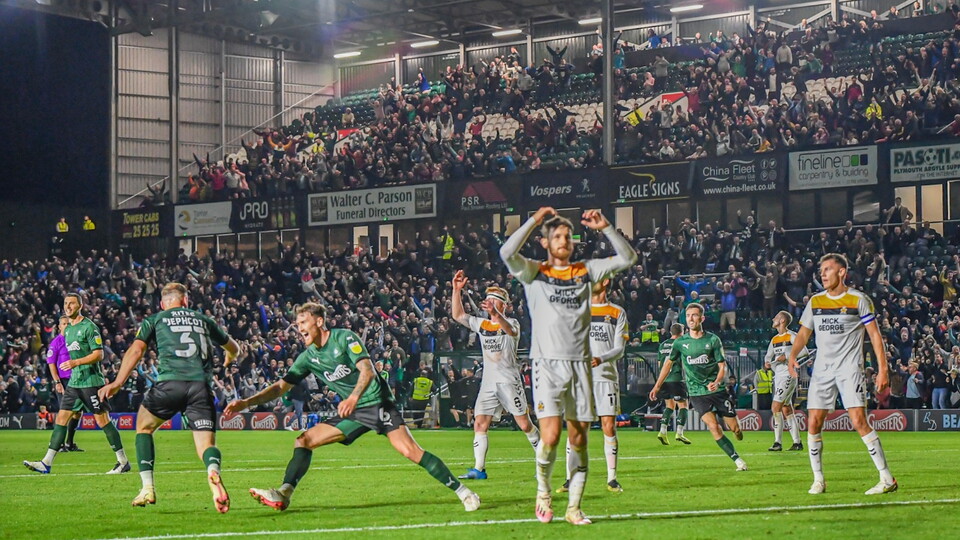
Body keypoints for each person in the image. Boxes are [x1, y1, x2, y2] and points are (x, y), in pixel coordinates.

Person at [226, 303, 480, 512]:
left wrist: (353, 398)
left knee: (410, 451)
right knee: (304, 440)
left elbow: (367, 370)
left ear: (319, 321)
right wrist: (246, 403)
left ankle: (464, 493)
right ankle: (284, 493)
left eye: (303, 322)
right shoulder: (308, 357)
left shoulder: (344, 337)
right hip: (355, 411)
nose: (299, 327)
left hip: (377, 403)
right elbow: (280, 387)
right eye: (297, 323)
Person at [500, 206, 637, 525]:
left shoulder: (584, 271)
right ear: (545, 242)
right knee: (549, 438)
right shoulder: (533, 272)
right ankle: (543, 492)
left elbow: (628, 258)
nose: (563, 240)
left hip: (580, 367)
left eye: (568, 236)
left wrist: (607, 228)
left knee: (579, 440)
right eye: (557, 236)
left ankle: (574, 508)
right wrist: (534, 220)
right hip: (547, 366)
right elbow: (506, 252)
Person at [98, 282, 240, 511]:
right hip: (200, 387)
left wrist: (117, 382)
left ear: (163, 304)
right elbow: (234, 348)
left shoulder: (155, 319)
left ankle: (147, 488)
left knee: (143, 427)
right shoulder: (204, 320)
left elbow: (136, 350)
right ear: (185, 301)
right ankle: (213, 470)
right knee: (206, 445)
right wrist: (229, 358)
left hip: (169, 384)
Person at [788, 253, 897, 495]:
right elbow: (804, 332)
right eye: (821, 270)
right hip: (822, 370)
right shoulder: (815, 301)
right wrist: (793, 355)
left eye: (827, 269)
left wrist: (883, 370)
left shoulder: (858, 299)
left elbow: (875, 336)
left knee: (859, 421)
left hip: (849, 369)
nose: (823, 274)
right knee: (813, 422)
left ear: (842, 272)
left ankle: (886, 478)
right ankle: (818, 480)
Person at [23, 293, 129, 475]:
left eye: (72, 303)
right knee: (61, 418)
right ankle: (46, 463)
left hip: (91, 382)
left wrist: (75, 363)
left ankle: (122, 461)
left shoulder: (89, 327)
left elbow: (99, 354)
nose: (68, 306)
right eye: (66, 303)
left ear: (80, 306)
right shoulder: (68, 330)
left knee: (102, 420)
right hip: (74, 382)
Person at [450, 270, 540, 480]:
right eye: (488, 299)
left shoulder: (512, 322)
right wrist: (456, 290)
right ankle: (479, 469)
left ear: (504, 305)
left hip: (509, 381)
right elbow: (458, 315)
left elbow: (510, 331)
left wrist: (496, 315)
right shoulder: (482, 325)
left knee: (524, 424)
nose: (490, 302)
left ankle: (543, 460)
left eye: (495, 300)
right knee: (480, 423)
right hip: (489, 382)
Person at [650, 303, 747, 472]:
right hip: (696, 392)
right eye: (688, 316)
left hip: (717, 391)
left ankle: (737, 434)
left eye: (694, 315)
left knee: (736, 430)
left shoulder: (713, 340)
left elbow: (722, 366)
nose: (691, 319)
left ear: (702, 318)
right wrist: (657, 386)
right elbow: (667, 364)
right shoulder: (680, 343)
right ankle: (738, 460)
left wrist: (718, 381)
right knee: (713, 426)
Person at [559, 279, 627, 493]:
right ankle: (570, 478)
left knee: (609, 426)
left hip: (606, 377)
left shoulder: (617, 312)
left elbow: (620, 349)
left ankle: (612, 479)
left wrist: (601, 358)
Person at [765, 311, 809, 452]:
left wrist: (788, 356)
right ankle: (797, 442)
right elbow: (768, 355)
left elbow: (804, 351)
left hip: (788, 375)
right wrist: (767, 362)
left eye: (776, 317)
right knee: (786, 409)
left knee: (775, 407)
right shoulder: (774, 339)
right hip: (778, 376)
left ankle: (777, 442)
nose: (773, 318)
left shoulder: (791, 336)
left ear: (782, 320)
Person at [45, 316, 82, 452]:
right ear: (59, 326)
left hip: (77, 380)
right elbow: (51, 364)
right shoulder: (56, 342)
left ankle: (69, 443)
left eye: (69, 323)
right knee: (64, 412)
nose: (67, 326)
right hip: (63, 381)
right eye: (64, 324)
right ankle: (58, 444)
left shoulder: (75, 340)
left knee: (77, 412)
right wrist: (57, 382)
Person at [655, 323, 691, 445]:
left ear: (671, 332)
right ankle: (679, 433)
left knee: (669, 406)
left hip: (664, 379)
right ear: (683, 332)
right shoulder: (681, 344)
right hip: (676, 378)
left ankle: (662, 432)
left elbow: (660, 364)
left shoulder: (663, 345)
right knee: (683, 406)